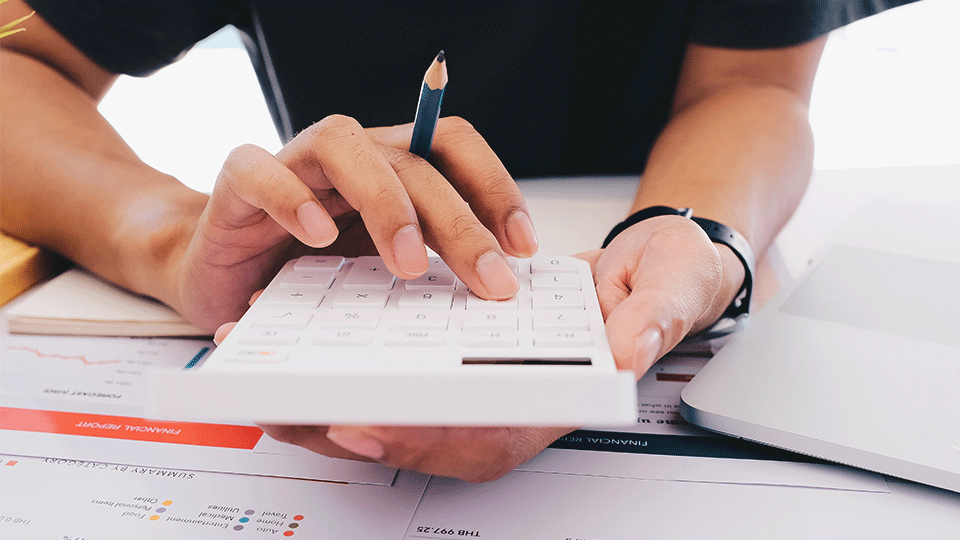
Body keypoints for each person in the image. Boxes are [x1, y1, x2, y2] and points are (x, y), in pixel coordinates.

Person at [0, 0, 913, 482]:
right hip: (347, 269)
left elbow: (753, 83)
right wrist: (171, 242)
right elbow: (15, 59)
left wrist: (697, 233)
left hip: (638, 231)